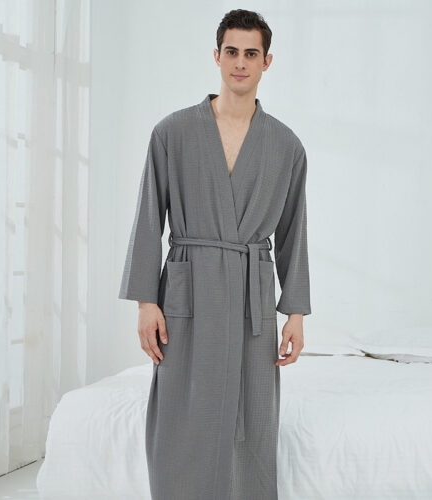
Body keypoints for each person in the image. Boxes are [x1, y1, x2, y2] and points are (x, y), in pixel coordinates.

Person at [118, 8, 311, 500]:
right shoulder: (172, 132)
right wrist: (145, 302)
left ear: (267, 61)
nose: (240, 62)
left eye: (251, 53)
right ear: (216, 56)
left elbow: (294, 230)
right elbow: (148, 218)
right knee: (182, 405)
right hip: (189, 289)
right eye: (231, 51)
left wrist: (294, 313)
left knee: (253, 412)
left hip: (252, 295)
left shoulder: (286, 146)